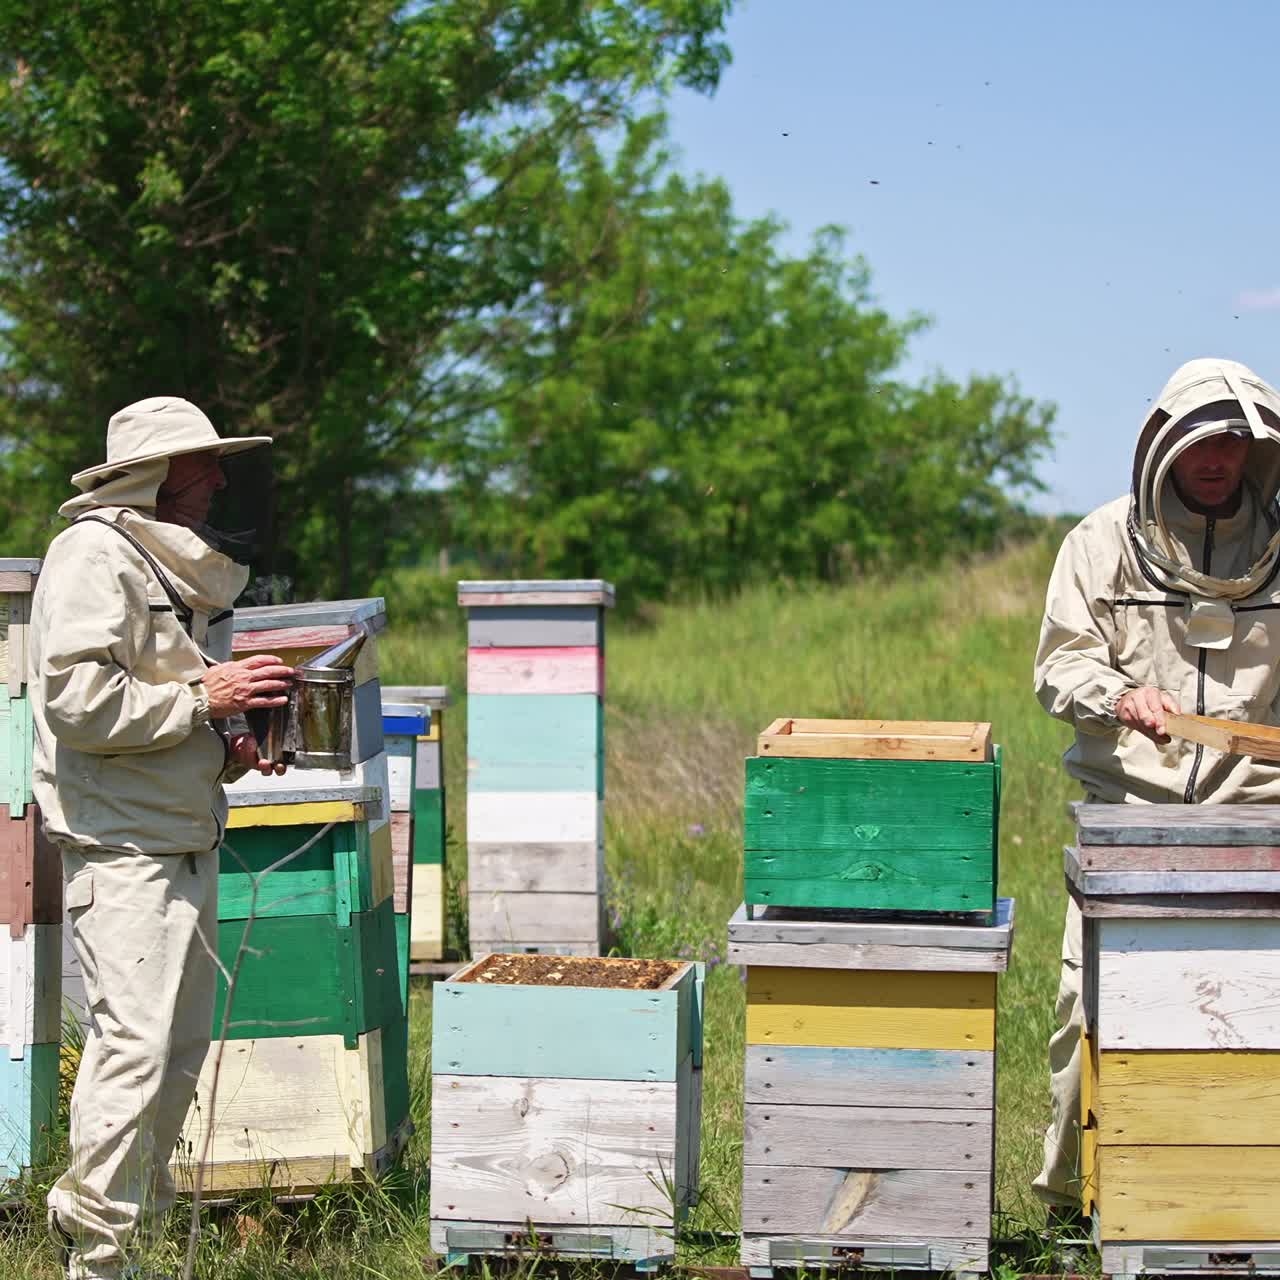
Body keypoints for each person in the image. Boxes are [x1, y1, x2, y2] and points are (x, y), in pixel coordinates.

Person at [31, 397, 295, 1280]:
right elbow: (72, 703)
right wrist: (202, 703)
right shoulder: (92, 555)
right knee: (134, 1050)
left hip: (182, 834)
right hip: (123, 848)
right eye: (204, 463)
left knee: (174, 1057)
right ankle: (93, 1251)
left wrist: (229, 740)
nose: (220, 478)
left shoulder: (175, 566)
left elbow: (168, 698)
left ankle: (120, 1242)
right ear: (154, 474)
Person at [1032, 356, 1280, 1220]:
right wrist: (1117, 696)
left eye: (1234, 442)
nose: (1217, 457)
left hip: (1258, 816)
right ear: (1163, 445)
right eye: (1201, 440)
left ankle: (1240, 1208)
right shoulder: (1100, 543)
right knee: (1090, 1007)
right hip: (1131, 810)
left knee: (1251, 1026)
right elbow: (1061, 664)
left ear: (1256, 451)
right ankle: (1073, 1203)